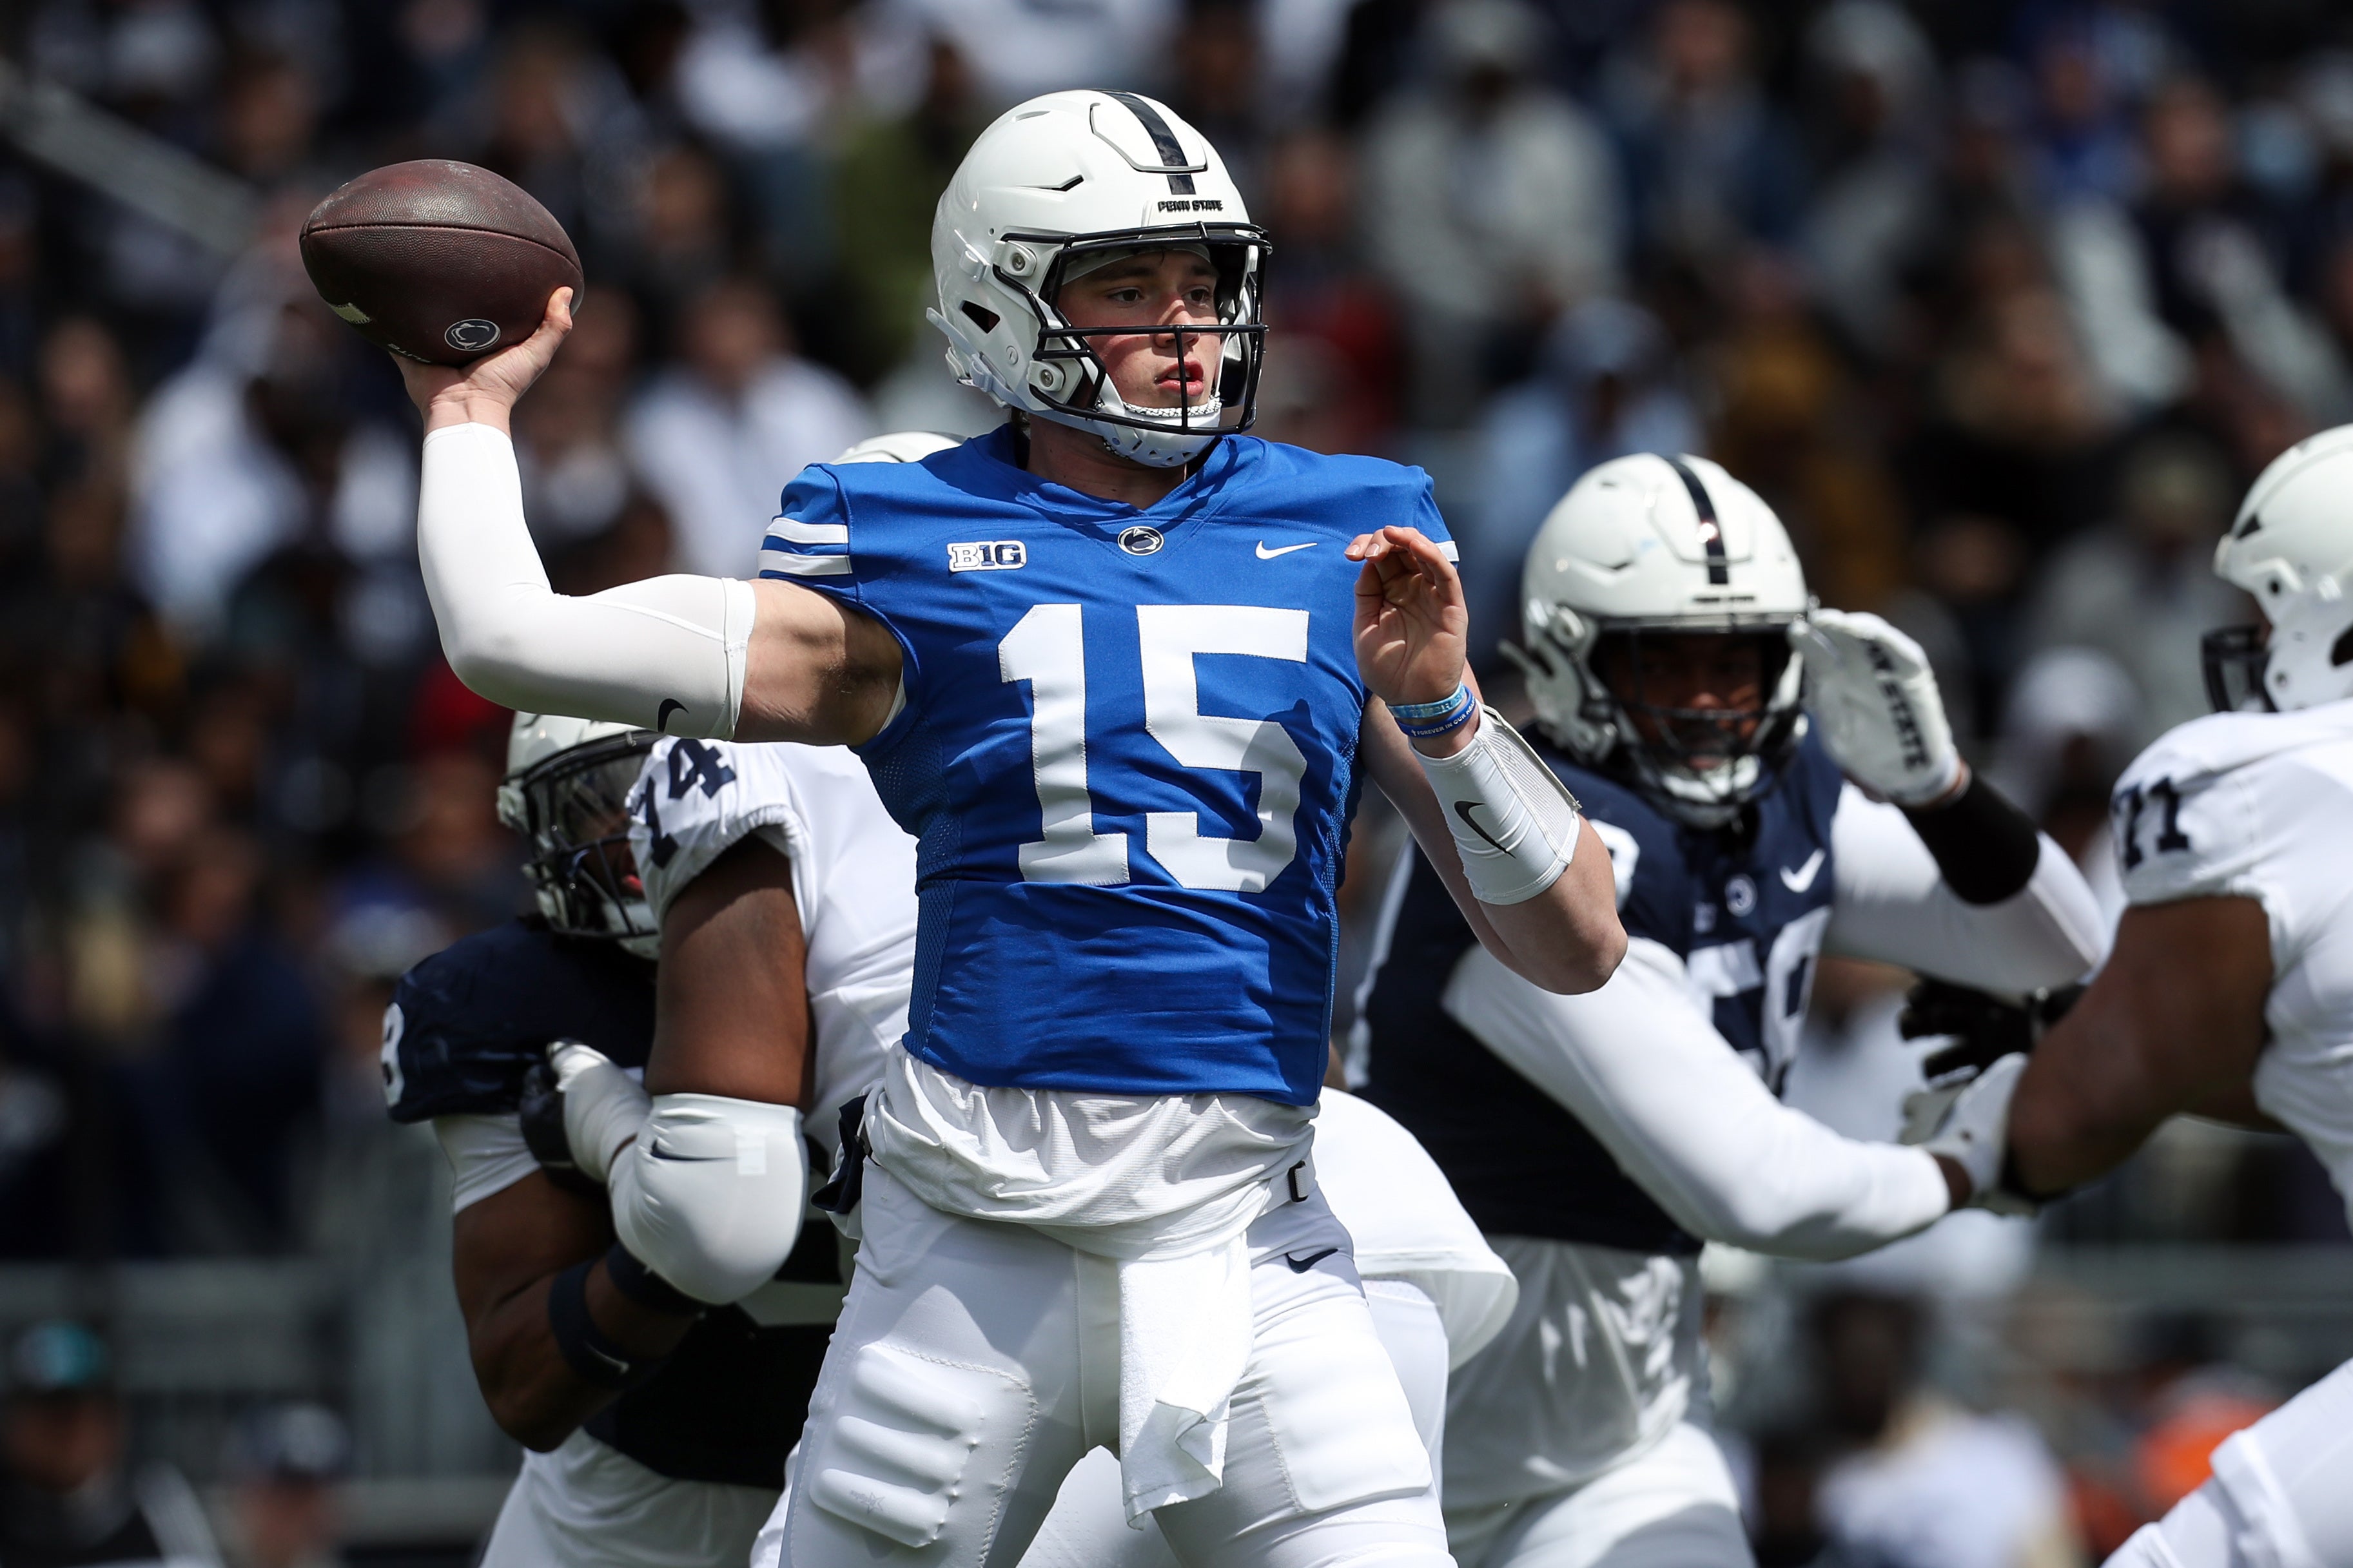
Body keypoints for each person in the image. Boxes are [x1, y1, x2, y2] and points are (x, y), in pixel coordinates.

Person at [395, 88, 1623, 1568]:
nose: (1185, 325)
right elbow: (509, 639)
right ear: (1004, 296)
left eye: (1203, 281)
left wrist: (1442, 711)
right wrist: (468, 413)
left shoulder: (1348, 526)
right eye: (1127, 285)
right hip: (971, 1256)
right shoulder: (898, 538)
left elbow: (1576, 943)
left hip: (1247, 1243)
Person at [1358, 452, 2106, 1568]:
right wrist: (1967, 1163)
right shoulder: (1534, 850)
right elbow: (1759, 1185)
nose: (1710, 703)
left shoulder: (1777, 807)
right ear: (1573, 658)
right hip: (1398, 1437)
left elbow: (2055, 942)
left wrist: (1942, 790)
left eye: (1739, 661)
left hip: (1631, 1424)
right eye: (1670, 662)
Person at [1935, 423, 2353, 1567]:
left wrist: (2022, 1094)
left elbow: (2079, 1119)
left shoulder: (2260, 785)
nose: (2253, 646)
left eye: (2271, 616)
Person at [384, 710, 917, 1568]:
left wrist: (633, 1153)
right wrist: (683, 1245)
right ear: (539, 824)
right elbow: (523, 1384)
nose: (649, 831)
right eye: (607, 801)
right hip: (629, 1495)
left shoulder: (881, 954)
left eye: (666, 794)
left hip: (902, 1454)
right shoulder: (518, 1000)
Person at [0, 1321, 221, 1568]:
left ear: (114, 1422)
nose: (67, 1434)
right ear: (14, 1424)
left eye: (78, 1414)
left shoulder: (155, 1506)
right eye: (50, 1415)